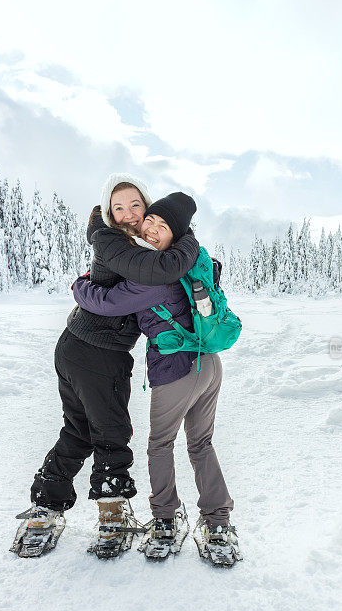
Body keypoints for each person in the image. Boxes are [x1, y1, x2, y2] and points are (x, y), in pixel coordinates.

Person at [11, 174, 200, 558]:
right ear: (109, 213)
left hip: (76, 346)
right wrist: (190, 241)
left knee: (79, 430)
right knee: (111, 433)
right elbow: (163, 272)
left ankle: (46, 507)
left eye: (136, 205)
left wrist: (84, 286)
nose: (130, 214)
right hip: (98, 353)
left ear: (147, 206)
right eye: (119, 207)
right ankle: (112, 517)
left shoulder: (126, 243)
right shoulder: (117, 242)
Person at [72, 192, 237, 559]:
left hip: (178, 369)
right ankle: (218, 522)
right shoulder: (179, 265)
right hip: (208, 364)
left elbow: (106, 302)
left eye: (162, 227)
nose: (151, 230)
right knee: (200, 444)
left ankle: (165, 519)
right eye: (150, 222)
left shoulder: (154, 275)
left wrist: (80, 285)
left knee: (159, 445)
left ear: (175, 237)